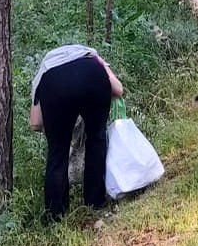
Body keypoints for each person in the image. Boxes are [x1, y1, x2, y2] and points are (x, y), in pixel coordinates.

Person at [28, 44, 125, 220]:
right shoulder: (93, 58)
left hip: (55, 84)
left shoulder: (44, 70)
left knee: (57, 153)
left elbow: (35, 124)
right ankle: (95, 202)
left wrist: (58, 124)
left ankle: (55, 215)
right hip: (92, 76)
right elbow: (119, 90)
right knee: (96, 138)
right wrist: (104, 68)